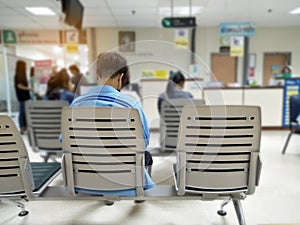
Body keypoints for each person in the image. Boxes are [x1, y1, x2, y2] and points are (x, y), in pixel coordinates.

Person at [70, 52, 154, 196]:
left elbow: (65, 141)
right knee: (146, 155)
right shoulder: (131, 104)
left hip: (85, 178)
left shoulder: (76, 104)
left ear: (96, 75)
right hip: (125, 178)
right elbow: (144, 141)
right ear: (121, 77)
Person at [14, 60, 33, 134]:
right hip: (22, 96)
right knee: (22, 112)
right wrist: (29, 88)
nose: (25, 67)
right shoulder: (18, 74)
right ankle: (22, 127)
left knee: (24, 112)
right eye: (24, 66)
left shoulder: (21, 75)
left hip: (25, 96)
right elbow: (19, 86)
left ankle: (24, 127)